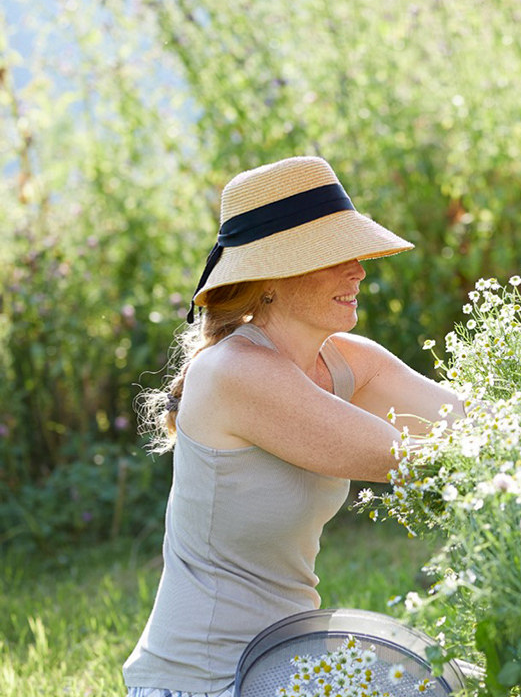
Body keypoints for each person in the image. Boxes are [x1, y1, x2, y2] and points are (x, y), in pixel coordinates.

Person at [123, 156, 465, 696]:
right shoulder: (235, 374)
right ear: (271, 280)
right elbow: (416, 459)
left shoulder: (348, 360)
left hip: (288, 667)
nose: (359, 270)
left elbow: (475, 422)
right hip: (205, 683)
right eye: (334, 256)